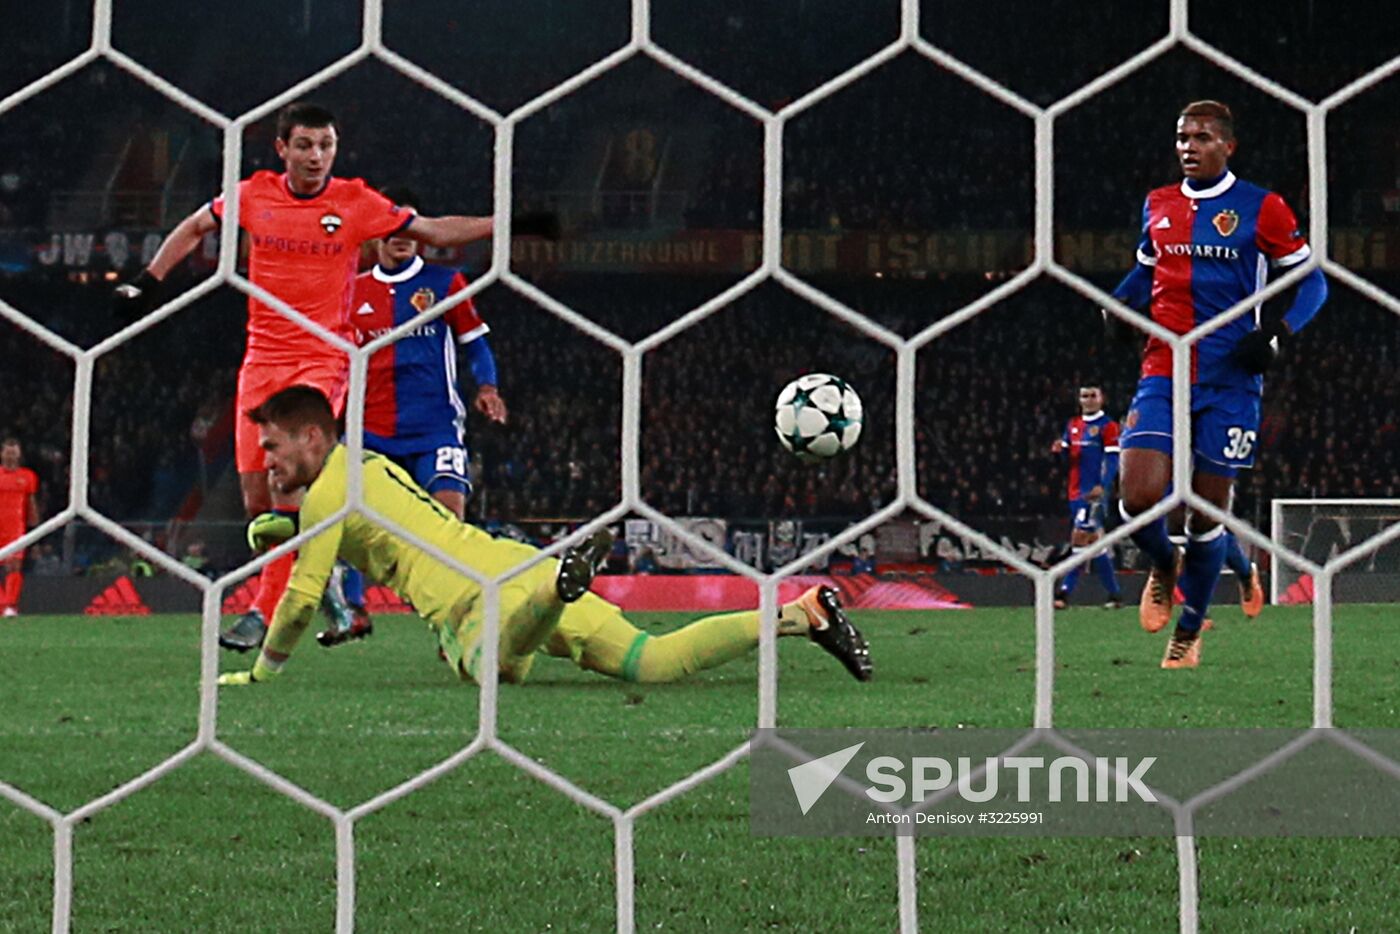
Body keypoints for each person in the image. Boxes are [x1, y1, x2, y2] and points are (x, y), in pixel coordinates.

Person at [113, 102, 550, 654]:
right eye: (304, 145)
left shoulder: (355, 202)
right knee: (258, 504)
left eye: (325, 146)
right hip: (262, 361)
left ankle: (264, 610)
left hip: (322, 361)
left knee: (287, 481)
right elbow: (199, 224)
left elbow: (434, 229)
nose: (316, 156)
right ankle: (329, 588)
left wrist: (510, 223)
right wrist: (149, 279)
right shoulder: (255, 194)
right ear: (282, 149)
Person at [217, 386, 872, 687]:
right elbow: (366, 528)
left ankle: (556, 593)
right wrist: (285, 526)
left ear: (311, 436)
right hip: (514, 562)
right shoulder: (365, 466)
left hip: (469, 602)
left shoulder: (326, 496)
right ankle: (801, 613)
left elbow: (301, 601)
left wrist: (262, 672)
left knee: (491, 669)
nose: (265, 461)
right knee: (651, 661)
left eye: (271, 447)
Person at [1107, 100, 1326, 668]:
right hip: (1163, 366)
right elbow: (1145, 271)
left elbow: (1313, 283)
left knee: (1206, 516)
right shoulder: (1158, 203)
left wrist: (1277, 333)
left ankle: (1188, 631)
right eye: (1183, 137)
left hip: (1230, 377)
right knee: (1136, 497)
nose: (1189, 146)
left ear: (1228, 146)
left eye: (1202, 137)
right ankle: (1163, 563)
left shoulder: (1262, 207)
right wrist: (1118, 303)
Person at [310, 186, 509, 647]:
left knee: (448, 522)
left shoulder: (446, 283)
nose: (401, 236)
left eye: (409, 227)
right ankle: (354, 612)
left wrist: (487, 387)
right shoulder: (352, 289)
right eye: (391, 228)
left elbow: (476, 344)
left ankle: (458, 624)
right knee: (351, 518)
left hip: (435, 428)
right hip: (369, 430)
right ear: (375, 233)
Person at [1049, 384, 1123, 609]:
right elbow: (1067, 459)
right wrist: (1059, 452)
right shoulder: (1073, 425)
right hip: (1074, 492)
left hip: (1093, 494)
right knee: (1094, 545)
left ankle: (1064, 593)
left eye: (1093, 396)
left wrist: (1103, 485)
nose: (1088, 400)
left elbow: (1113, 459)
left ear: (1101, 399)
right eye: (1084, 396)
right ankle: (1115, 594)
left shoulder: (1108, 426)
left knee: (1079, 539)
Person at [0, 437, 40, 617]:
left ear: (19, 455)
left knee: (14, 567)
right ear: (2, 454)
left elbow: (31, 504)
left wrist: (35, 532)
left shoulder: (27, 477)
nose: (10, 456)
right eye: (8, 452)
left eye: (13, 453)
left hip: (15, 529)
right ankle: (2, 603)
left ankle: (10, 605)